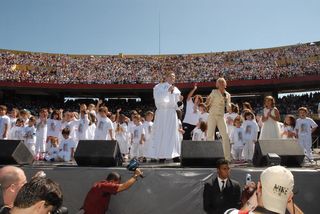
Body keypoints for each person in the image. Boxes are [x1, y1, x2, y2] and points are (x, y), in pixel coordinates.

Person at [225, 166, 303, 214]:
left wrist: (253, 198)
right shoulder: (288, 198)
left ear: (259, 186)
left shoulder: (231, 212)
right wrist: (285, 197)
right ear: (290, 197)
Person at [147, 71, 182, 162]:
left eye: (174, 77)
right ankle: (161, 155)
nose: (172, 78)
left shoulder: (177, 90)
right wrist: (167, 91)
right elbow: (158, 100)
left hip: (172, 113)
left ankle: (175, 155)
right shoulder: (158, 87)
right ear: (166, 77)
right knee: (161, 133)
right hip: (162, 113)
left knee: (173, 134)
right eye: (170, 76)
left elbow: (178, 106)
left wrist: (180, 102)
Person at [206, 78, 232, 161]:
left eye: (222, 83)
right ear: (217, 85)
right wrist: (207, 101)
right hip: (212, 115)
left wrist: (229, 105)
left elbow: (228, 108)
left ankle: (227, 158)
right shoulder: (214, 92)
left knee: (225, 135)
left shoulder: (227, 95)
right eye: (219, 83)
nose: (221, 84)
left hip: (221, 116)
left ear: (225, 84)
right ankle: (210, 156)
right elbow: (208, 103)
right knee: (210, 135)